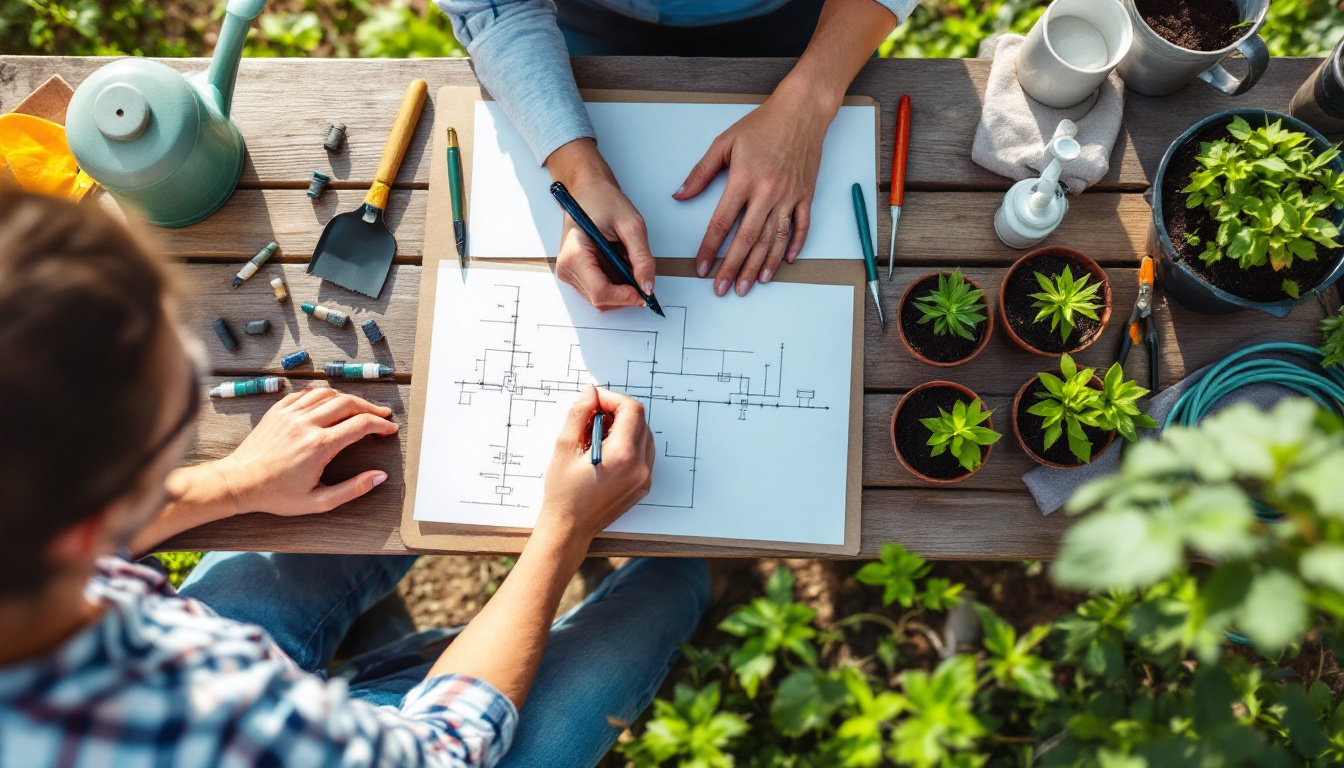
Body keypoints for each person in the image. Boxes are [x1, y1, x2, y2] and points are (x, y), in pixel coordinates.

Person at [0, 188, 709, 768]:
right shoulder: (199, 721)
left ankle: (384, 648)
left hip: (137, 649)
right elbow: (443, 752)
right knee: (658, 602)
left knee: (362, 490)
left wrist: (238, 482)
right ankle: (679, 583)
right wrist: (564, 530)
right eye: (179, 411)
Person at [437, 0, 911, 306]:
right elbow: (494, 6)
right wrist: (579, 172)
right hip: (589, 26)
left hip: (806, 20)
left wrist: (809, 102)